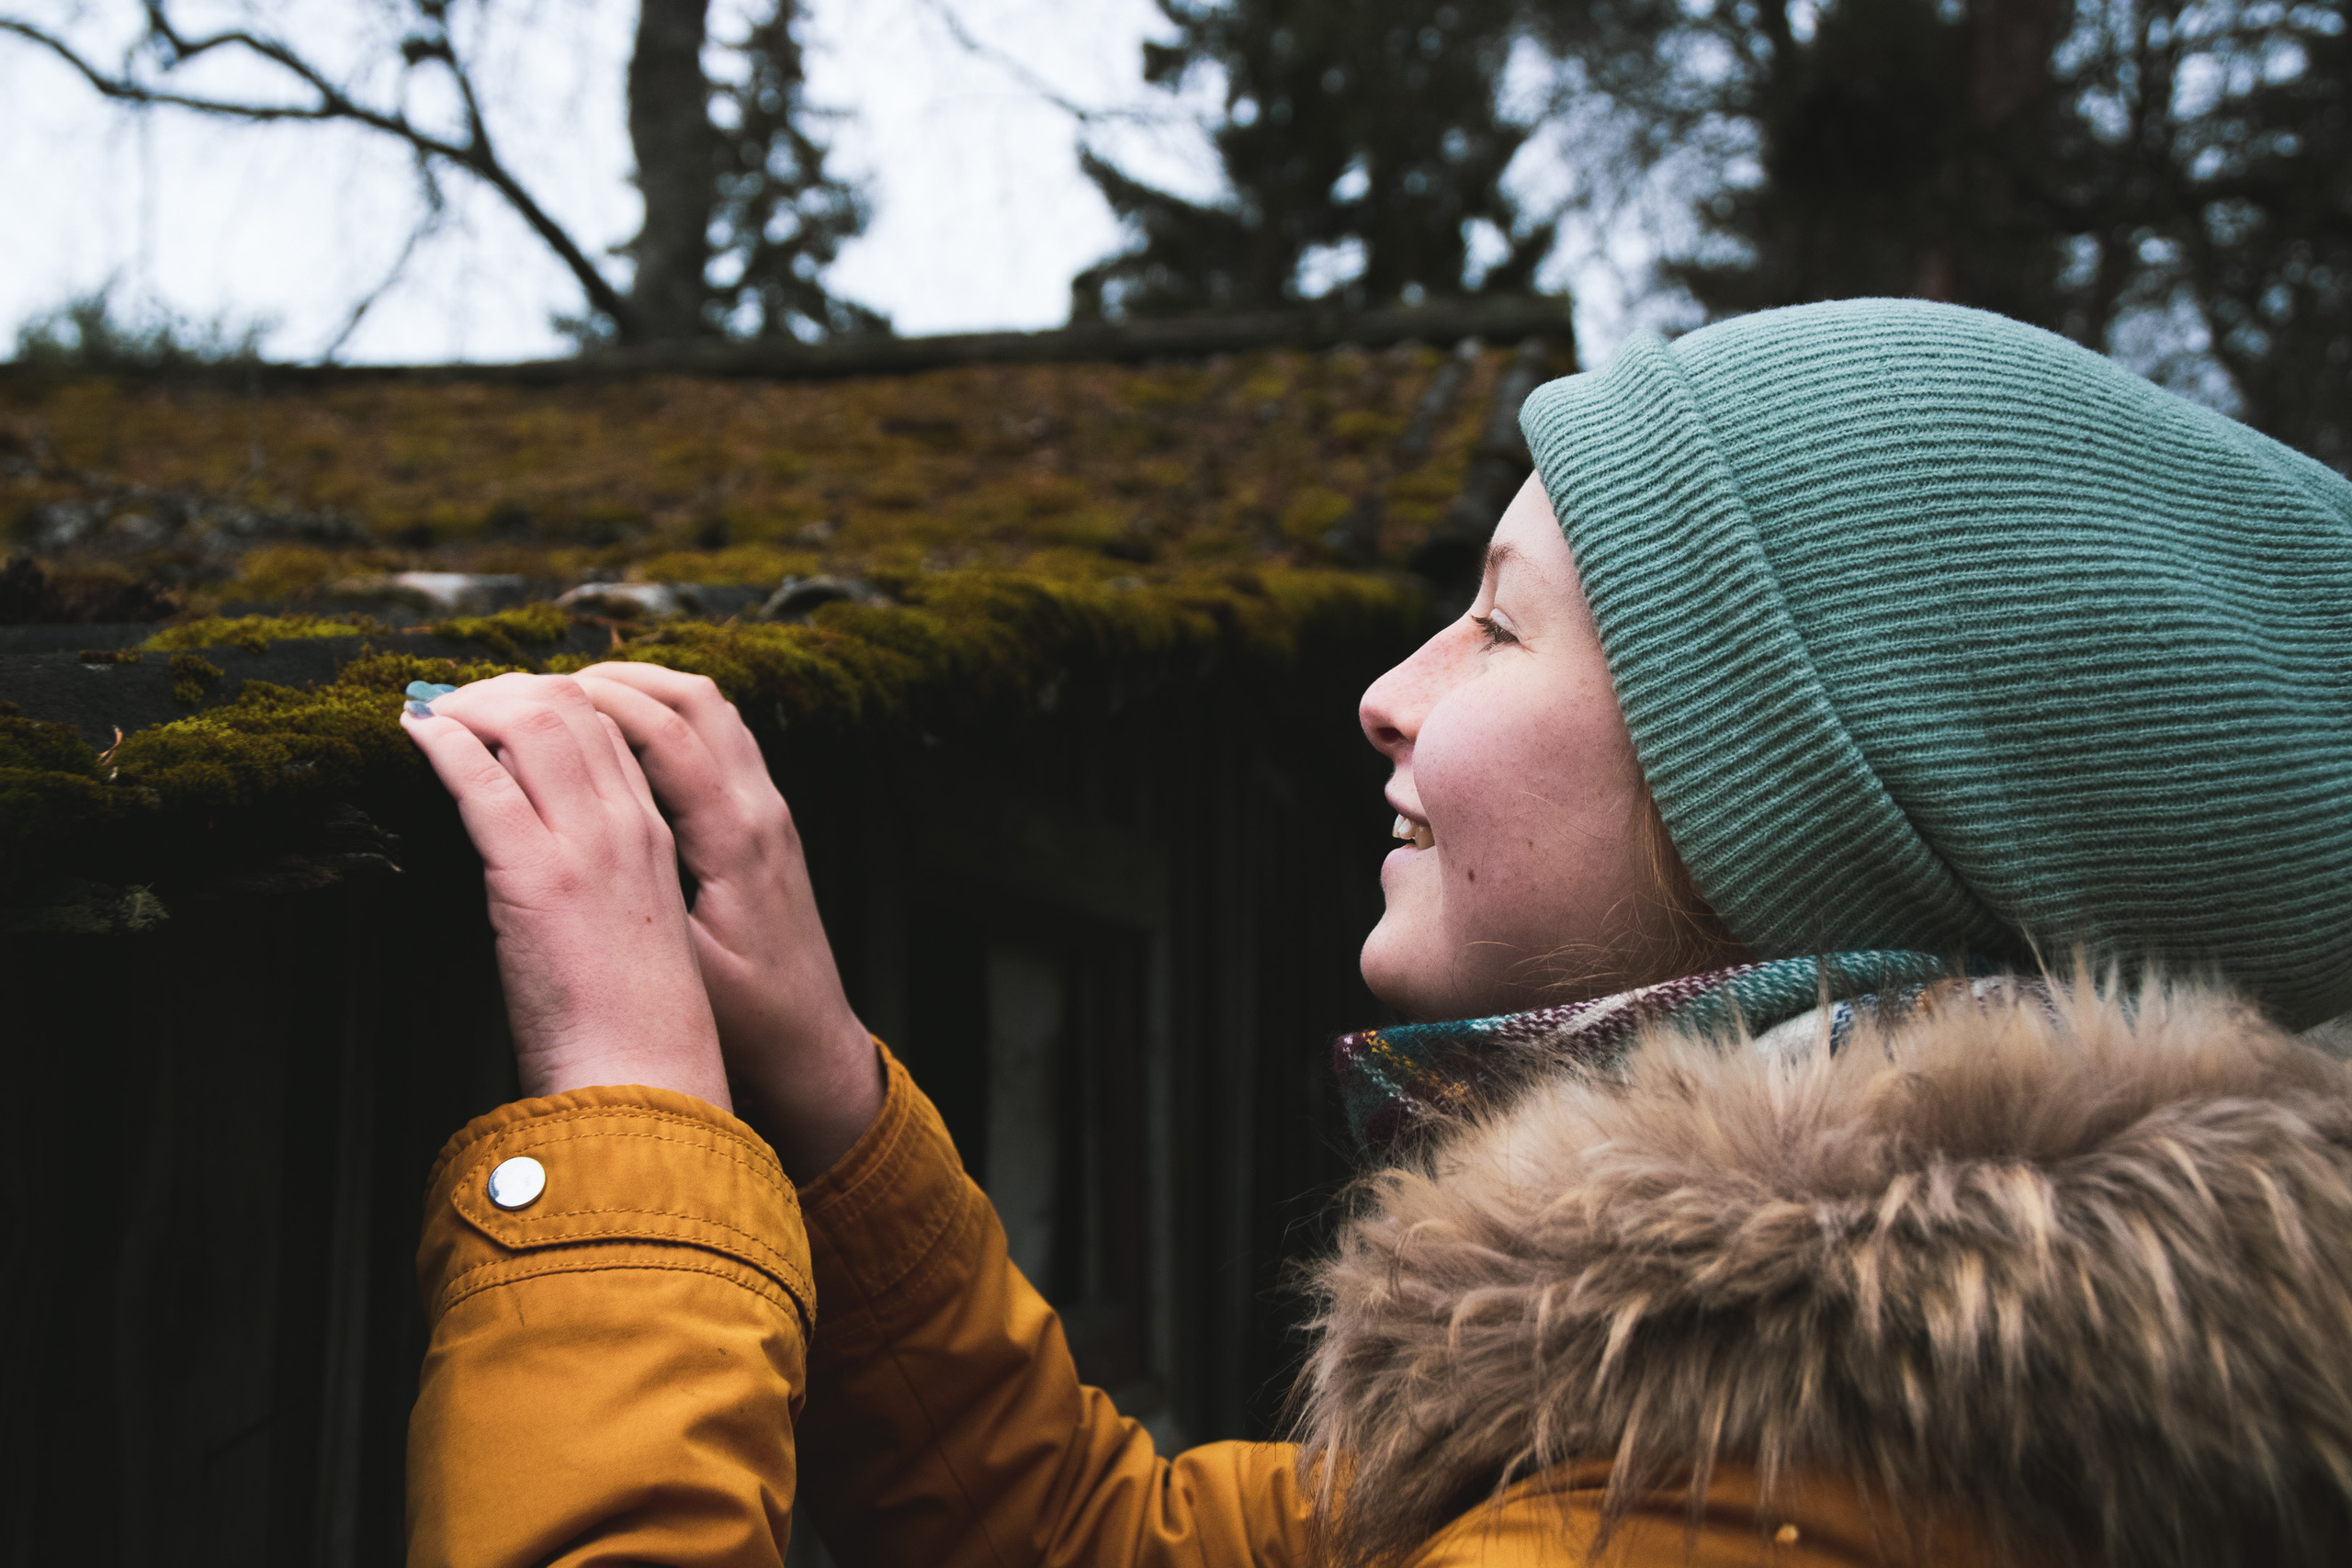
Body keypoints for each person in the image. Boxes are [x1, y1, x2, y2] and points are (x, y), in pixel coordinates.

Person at [401, 299, 2352, 1567]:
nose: (1387, 689)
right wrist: (827, 1106)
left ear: (1766, 797)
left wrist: (634, 1146)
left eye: (1499, 623)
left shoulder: (1712, 1519)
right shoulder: (1771, 1423)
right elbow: (1113, 1537)